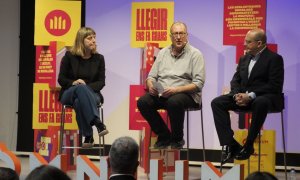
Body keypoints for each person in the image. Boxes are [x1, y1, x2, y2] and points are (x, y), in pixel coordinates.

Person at [211, 28, 284, 164]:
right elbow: (236, 80)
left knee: (260, 102)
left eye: (248, 42)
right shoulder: (244, 58)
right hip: (244, 97)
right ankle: (230, 144)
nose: (245, 44)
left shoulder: (275, 59)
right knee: (217, 102)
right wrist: (237, 94)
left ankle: (249, 145)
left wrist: (250, 96)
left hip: (266, 97)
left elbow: (274, 85)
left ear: (259, 43)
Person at [137, 21, 206, 149]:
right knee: (143, 102)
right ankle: (164, 136)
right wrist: (151, 85)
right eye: (175, 34)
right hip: (162, 92)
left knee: (174, 102)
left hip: (186, 94)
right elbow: (151, 77)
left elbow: (199, 83)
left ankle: (177, 139)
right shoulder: (163, 53)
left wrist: (176, 90)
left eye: (181, 33)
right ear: (170, 36)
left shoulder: (195, 54)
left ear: (187, 35)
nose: (178, 37)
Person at [58, 27, 108, 148]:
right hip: (69, 92)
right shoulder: (69, 56)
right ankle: (97, 122)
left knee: (79, 101)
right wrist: (74, 82)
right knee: (79, 89)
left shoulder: (99, 58)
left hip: (93, 94)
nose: (93, 41)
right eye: (90, 38)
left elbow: (101, 82)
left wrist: (85, 87)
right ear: (81, 40)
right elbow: (61, 79)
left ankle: (88, 135)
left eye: (94, 38)